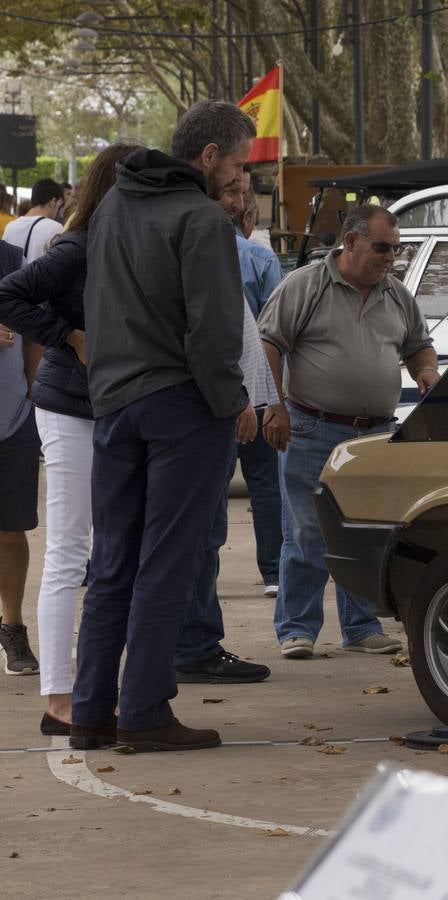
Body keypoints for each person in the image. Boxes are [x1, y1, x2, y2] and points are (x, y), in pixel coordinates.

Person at [71, 100, 254, 753]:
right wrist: (230, 401)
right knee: (167, 561)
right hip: (181, 404)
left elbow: (98, 302)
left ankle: (91, 712)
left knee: (113, 562)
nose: (239, 177)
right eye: (236, 163)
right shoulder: (201, 218)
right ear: (208, 156)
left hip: (115, 401)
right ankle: (145, 711)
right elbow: (214, 331)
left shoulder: (115, 204)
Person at [0, 144, 140, 731]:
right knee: (68, 550)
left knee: (110, 553)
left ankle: (94, 690)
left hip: (117, 405)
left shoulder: (130, 244)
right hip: (69, 406)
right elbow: (9, 295)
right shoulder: (77, 246)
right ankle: (59, 698)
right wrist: (70, 337)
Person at [259, 204, 437, 659]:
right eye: (381, 247)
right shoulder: (305, 286)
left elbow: (420, 346)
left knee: (367, 531)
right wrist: (273, 408)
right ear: (351, 241)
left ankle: (360, 627)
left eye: (396, 249)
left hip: (374, 436)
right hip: (310, 427)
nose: (390, 257)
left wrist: (427, 373)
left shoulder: (395, 294)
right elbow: (268, 345)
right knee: (306, 532)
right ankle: (296, 628)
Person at [173, 173, 275, 686]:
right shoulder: (211, 247)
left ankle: (191, 643)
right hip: (213, 412)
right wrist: (241, 401)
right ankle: (193, 647)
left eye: (242, 195)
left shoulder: (217, 248)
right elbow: (218, 341)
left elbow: (246, 335)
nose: (239, 204)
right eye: (231, 191)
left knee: (206, 536)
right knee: (203, 535)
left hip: (230, 407)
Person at [234, 188, 284, 598]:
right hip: (259, 385)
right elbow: (277, 329)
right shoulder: (262, 259)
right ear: (248, 219)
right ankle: (273, 572)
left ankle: (202, 572)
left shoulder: (190, 254)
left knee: (211, 487)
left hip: (212, 390)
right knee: (265, 482)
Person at [0, 240, 39, 677]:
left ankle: (11, 626)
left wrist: (32, 389)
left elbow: (33, 329)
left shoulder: (11, 259)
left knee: (11, 531)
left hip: (11, 418)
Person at [2, 179, 64, 264]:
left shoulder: (10, 227)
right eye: (59, 206)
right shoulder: (55, 228)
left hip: (11, 277)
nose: (58, 211)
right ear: (53, 202)